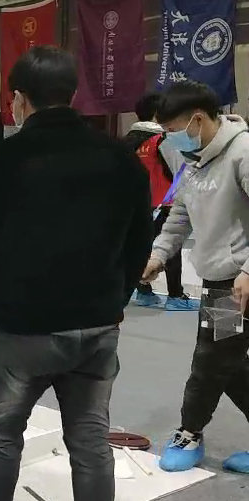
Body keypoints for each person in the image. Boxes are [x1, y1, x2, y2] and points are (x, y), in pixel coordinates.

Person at [0, 46, 152, 501]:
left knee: (2, 436)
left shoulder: (5, 158)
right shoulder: (120, 156)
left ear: (20, 99)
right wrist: (116, 299)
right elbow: (139, 240)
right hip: (97, 325)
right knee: (90, 440)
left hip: (24, 329)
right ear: (72, 94)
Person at [141, 81, 249, 475]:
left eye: (172, 130)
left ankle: (189, 433)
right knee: (230, 364)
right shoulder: (193, 161)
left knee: (211, 360)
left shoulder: (242, 153)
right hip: (220, 282)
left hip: (237, 284)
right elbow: (179, 216)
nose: (170, 139)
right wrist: (157, 255)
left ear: (198, 119)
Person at [125, 92, 198, 311]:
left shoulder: (126, 141)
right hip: (165, 203)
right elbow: (180, 171)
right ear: (158, 113)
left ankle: (144, 291)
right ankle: (175, 295)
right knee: (170, 248)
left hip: (137, 205)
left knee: (142, 246)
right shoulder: (162, 140)